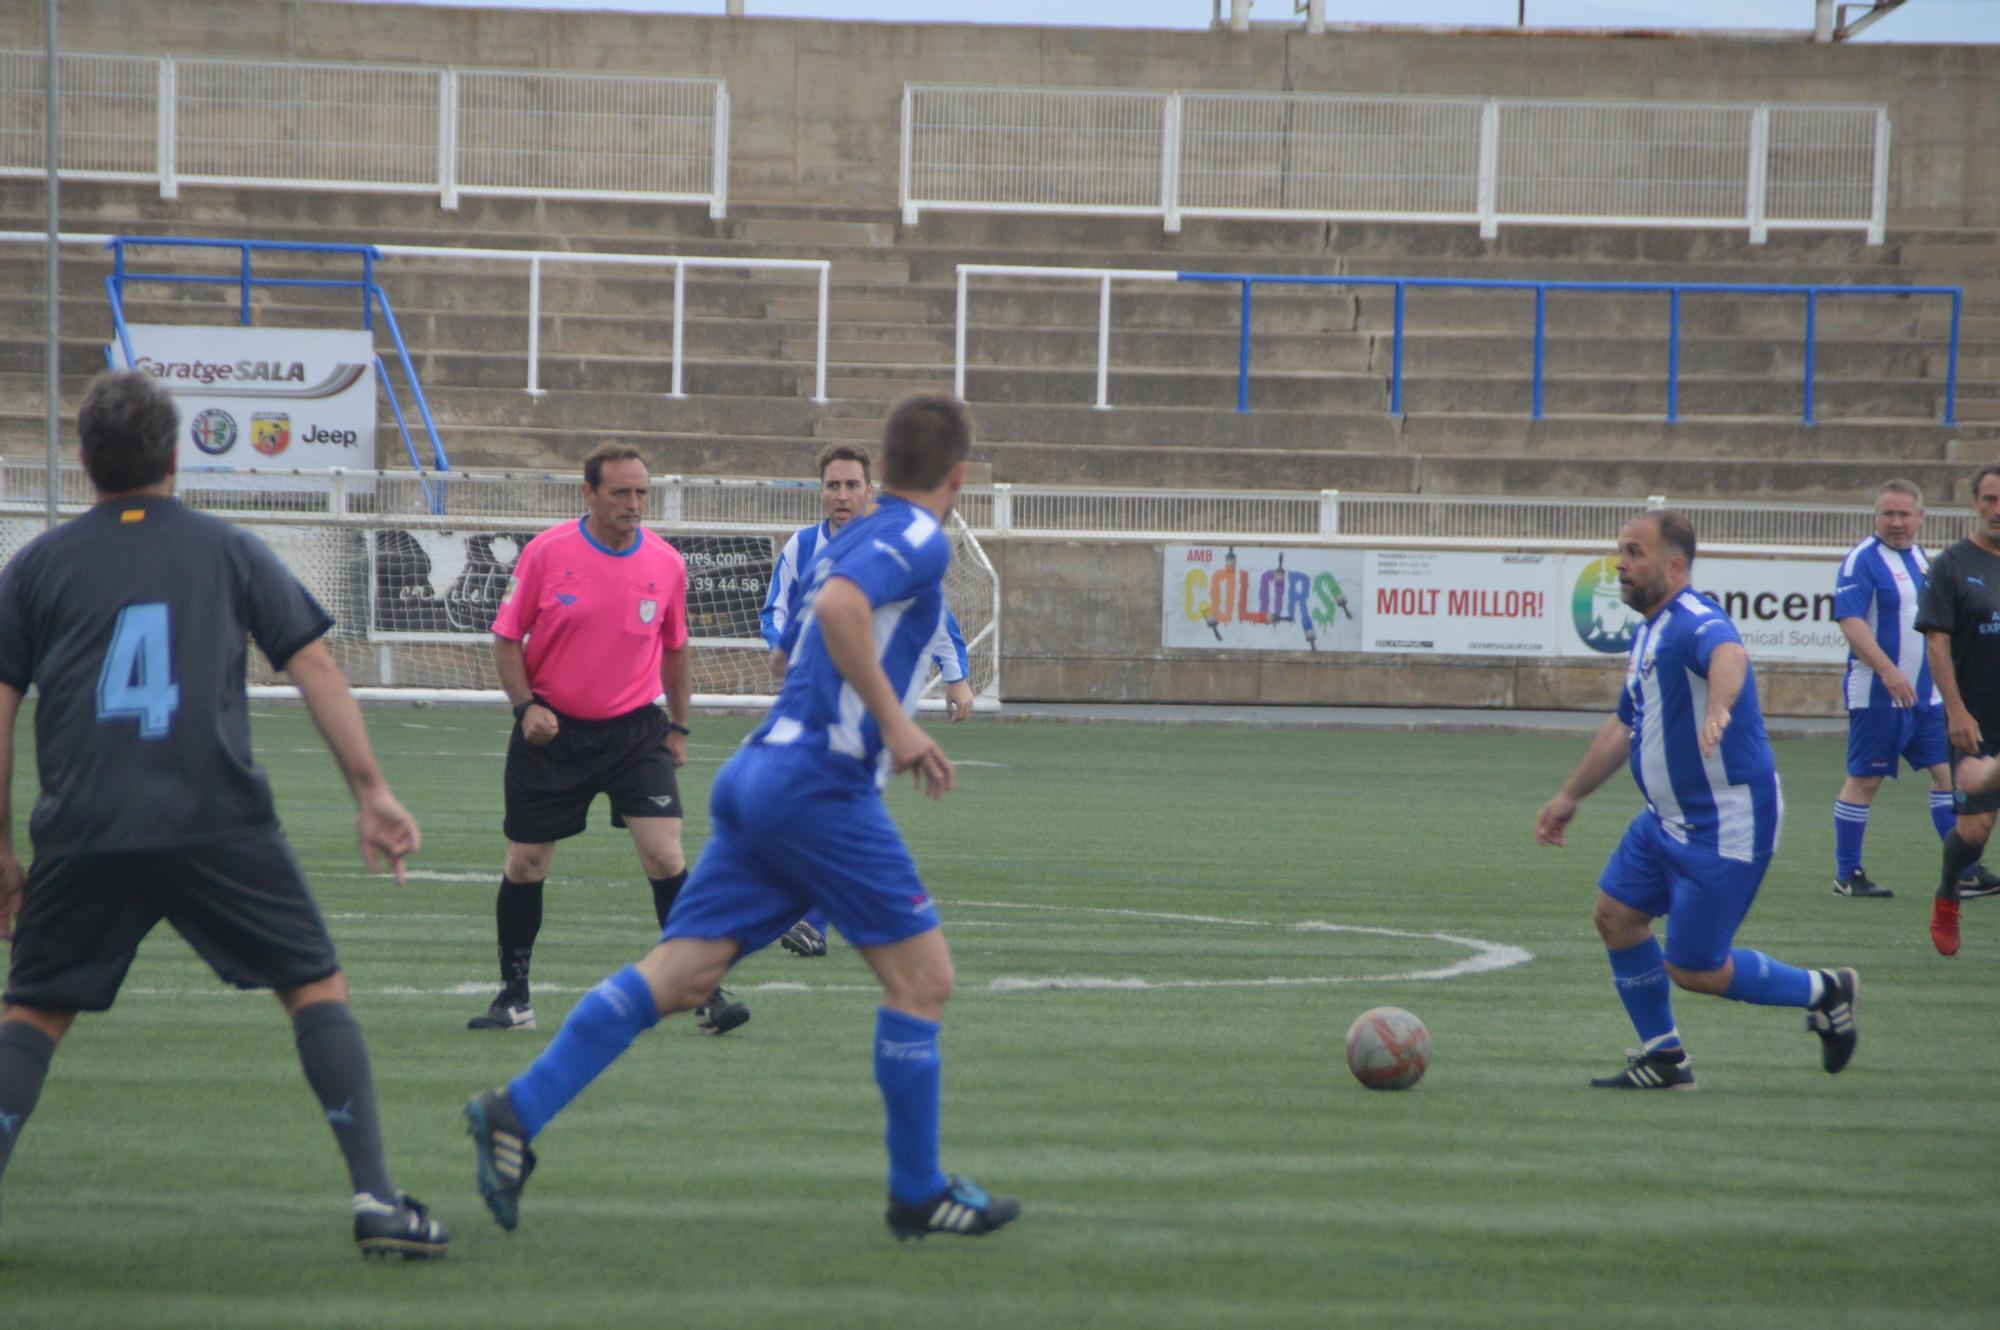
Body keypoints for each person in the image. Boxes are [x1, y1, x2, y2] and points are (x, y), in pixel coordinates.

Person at [464, 394, 1020, 1241]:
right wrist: (899, 726)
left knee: (683, 978)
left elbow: (806, 634)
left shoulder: (853, 537)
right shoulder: (916, 536)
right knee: (924, 982)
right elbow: (835, 616)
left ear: (881, 467)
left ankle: (517, 1107)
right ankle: (919, 1191)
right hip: (820, 789)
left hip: (760, 773)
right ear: (959, 476)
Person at [0, 371, 447, 1257]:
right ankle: (375, 1199)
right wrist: (371, 792)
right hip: (215, 818)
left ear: (85, 461)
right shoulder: (229, 548)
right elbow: (312, 664)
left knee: (34, 1012)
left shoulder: (37, 565)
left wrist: (1, 852)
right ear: (175, 455)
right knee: (313, 986)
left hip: (86, 826)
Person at [1535, 510, 1860, 1090]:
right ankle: (1665, 1059)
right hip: (1666, 820)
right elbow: (1624, 725)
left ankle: (1826, 990)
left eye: (1634, 552)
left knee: (1695, 968)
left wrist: (1720, 707)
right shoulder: (1649, 632)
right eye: (1620, 551)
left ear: (1675, 565)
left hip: (1725, 823)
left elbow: (1729, 655)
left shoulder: (1693, 619)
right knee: (1615, 915)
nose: (1620, 563)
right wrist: (1569, 795)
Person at [470, 444, 748, 1035]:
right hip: (552, 735)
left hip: (634, 734)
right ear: (588, 493)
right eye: (621, 492)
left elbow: (675, 649)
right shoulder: (548, 553)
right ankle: (512, 997)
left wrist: (678, 726)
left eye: (642, 492)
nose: (634, 504)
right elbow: (505, 639)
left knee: (665, 855)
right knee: (525, 863)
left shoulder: (667, 563)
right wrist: (526, 708)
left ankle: (705, 990)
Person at [759, 443, 975, 960]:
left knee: (835, 814)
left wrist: (957, 675)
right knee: (825, 819)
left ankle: (810, 920)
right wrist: (788, 657)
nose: (842, 495)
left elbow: (935, 614)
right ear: (820, 491)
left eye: (852, 484)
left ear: (870, 489)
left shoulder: (891, 544)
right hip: (814, 706)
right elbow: (775, 613)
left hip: (866, 711)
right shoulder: (803, 546)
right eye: (833, 485)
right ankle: (799, 918)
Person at [1830, 480, 2000, 898]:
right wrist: (1888, 671)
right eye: (1888, 514)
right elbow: (1851, 622)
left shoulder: (1924, 561)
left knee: (1948, 777)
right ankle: (1847, 875)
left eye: (1905, 514)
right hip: (1879, 694)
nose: (1897, 522)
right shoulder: (1862, 561)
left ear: (1921, 517)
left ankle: (1966, 870)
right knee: (1864, 780)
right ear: (1876, 516)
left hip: (1927, 698)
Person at [1917, 464, 2000, 956]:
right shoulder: (1951, 565)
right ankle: (1950, 890)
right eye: (1989, 499)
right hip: (1977, 720)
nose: (1997, 509)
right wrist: (1956, 711)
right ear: (1975, 503)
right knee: (1975, 829)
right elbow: (1937, 645)